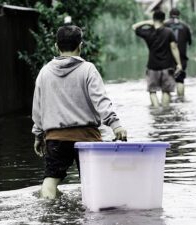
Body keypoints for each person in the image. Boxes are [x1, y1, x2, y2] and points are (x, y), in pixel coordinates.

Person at [32, 25, 127, 199]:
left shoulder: (44, 72)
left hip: (56, 138)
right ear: (80, 45)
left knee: (51, 179)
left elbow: (38, 108)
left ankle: (49, 214)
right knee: (95, 181)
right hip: (86, 137)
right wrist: (115, 124)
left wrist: (38, 135)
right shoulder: (88, 69)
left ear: (56, 46)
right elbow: (101, 100)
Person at [132, 10, 182, 107]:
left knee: (152, 91)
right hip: (167, 66)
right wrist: (179, 64)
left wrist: (147, 22)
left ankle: (156, 110)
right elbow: (174, 48)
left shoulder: (147, 32)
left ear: (153, 19)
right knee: (166, 91)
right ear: (163, 19)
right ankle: (164, 112)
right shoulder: (169, 32)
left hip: (152, 66)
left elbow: (134, 27)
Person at [164, 8, 192, 97]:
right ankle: (181, 100)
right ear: (179, 15)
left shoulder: (165, 25)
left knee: (167, 80)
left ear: (169, 14)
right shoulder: (185, 26)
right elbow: (190, 42)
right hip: (182, 57)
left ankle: (167, 105)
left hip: (167, 57)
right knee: (180, 80)